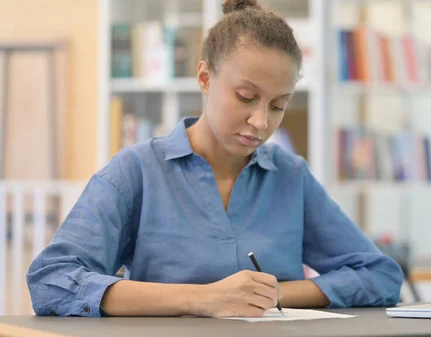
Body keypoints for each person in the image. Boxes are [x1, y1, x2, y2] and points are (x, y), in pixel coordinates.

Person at [26, 0, 403, 318]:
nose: (261, 122)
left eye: (278, 106)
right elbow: (52, 282)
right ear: (205, 77)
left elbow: (379, 275)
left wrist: (271, 296)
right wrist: (203, 299)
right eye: (245, 96)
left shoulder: (291, 176)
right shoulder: (136, 171)